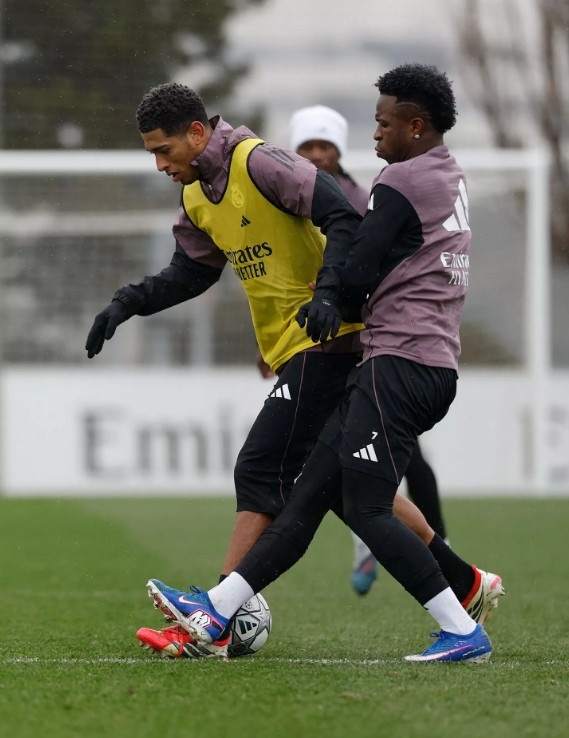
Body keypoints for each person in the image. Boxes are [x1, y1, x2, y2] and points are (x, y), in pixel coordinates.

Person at [145, 63, 503, 663]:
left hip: (398, 360)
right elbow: (388, 258)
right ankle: (216, 611)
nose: (375, 133)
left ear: (417, 125)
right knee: (312, 495)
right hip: (418, 359)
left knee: (361, 504)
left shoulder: (397, 180)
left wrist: (329, 298)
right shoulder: (448, 173)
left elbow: (361, 259)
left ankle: (461, 627)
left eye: (383, 122)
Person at [288, 103, 448, 596]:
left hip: (372, 344)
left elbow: (370, 269)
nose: (317, 155)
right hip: (318, 344)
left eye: (325, 145)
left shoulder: (365, 198)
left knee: (400, 460)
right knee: (340, 458)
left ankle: (439, 551)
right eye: (307, 146)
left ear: (339, 150)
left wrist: (338, 296)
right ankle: (378, 544)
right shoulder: (287, 203)